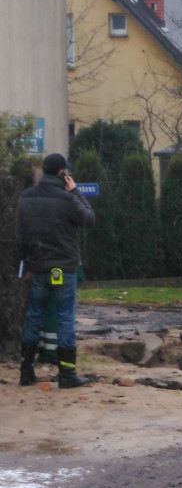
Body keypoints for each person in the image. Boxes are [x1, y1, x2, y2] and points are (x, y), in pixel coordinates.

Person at [16, 153, 96, 388]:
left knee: (33, 316)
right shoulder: (67, 198)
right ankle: (67, 375)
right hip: (63, 269)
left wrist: (25, 266)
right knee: (64, 318)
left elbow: (20, 236)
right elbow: (89, 220)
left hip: (38, 267)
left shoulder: (26, 197)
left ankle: (26, 372)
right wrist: (76, 192)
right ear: (63, 173)